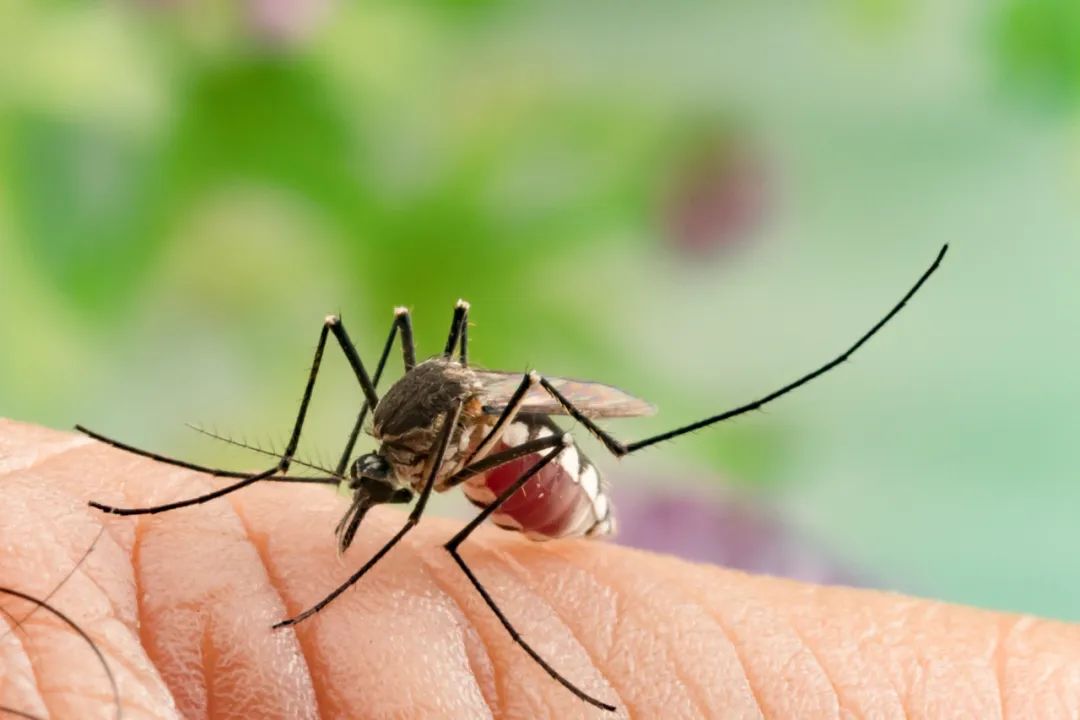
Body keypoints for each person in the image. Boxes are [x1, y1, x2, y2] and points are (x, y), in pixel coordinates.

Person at [1, 418, 1076, 718]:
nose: (364, 489)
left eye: (374, 479)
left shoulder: (437, 449)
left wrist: (523, 657)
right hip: (490, 455)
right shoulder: (397, 440)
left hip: (539, 473)